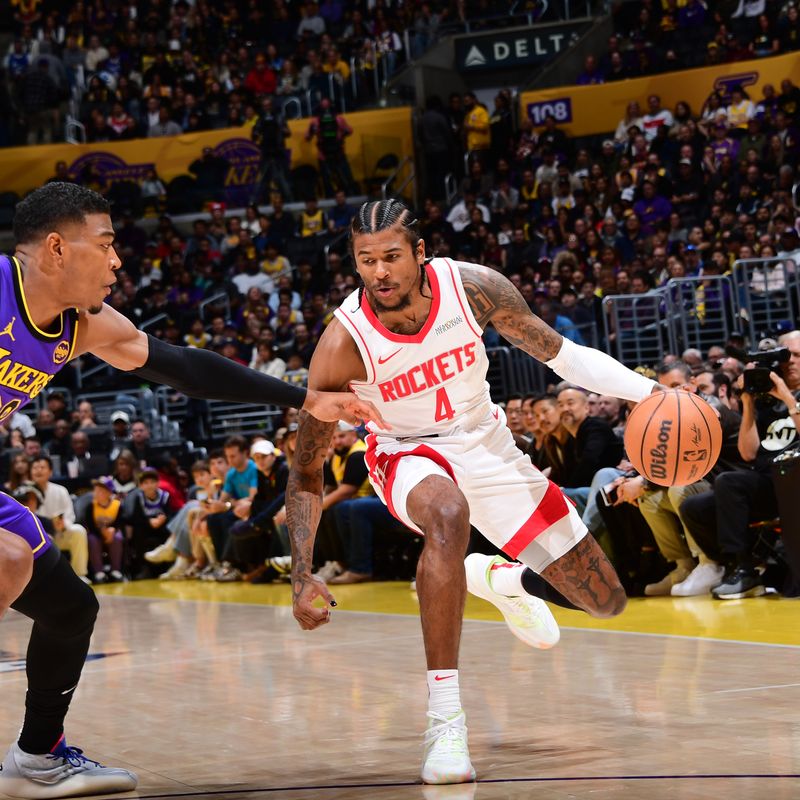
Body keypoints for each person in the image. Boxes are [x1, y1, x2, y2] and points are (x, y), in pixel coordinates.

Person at [0, 182, 384, 800]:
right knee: (8, 559)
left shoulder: (84, 325)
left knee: (71, 609)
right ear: (54, 249)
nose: (118, 260)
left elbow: (184, 368)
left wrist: (306, 398)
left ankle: (37, 759)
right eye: (105, 245)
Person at [286, 199, 661, 785]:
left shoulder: (475, 289)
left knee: (605, 600)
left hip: (487, 443)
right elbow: (307, 468)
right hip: (406, 450)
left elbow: (564, 357)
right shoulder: (345, 340)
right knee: (447, 511)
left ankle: (497, 578)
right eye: (366, 261)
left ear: (419, 252)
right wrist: (302, 570)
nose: (379, 272)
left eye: (390, 257)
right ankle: (445, 720)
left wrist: (651, 393)